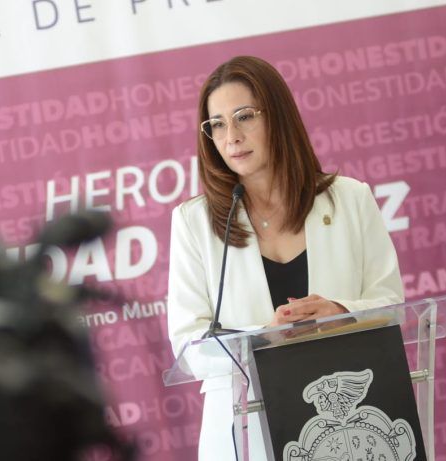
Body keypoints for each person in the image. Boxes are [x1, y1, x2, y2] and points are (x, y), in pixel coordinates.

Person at [166, 56, 404, 460]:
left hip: (351, 422)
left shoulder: (350, 199)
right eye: (217, 124)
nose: (231, 137)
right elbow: (189, 345)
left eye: (244, 117)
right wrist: (263, 337)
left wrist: (342, 313)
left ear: (277, 115)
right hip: (247, 431)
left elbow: (393, 306)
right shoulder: (194, 222)